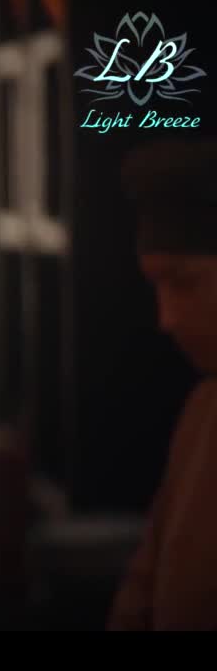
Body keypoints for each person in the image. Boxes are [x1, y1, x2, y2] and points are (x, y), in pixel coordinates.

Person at [108, 137, 217, 631]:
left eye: (185, 283)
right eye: (157, 287)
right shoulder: (203, 412)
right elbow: (143, 592)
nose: (167, 318)